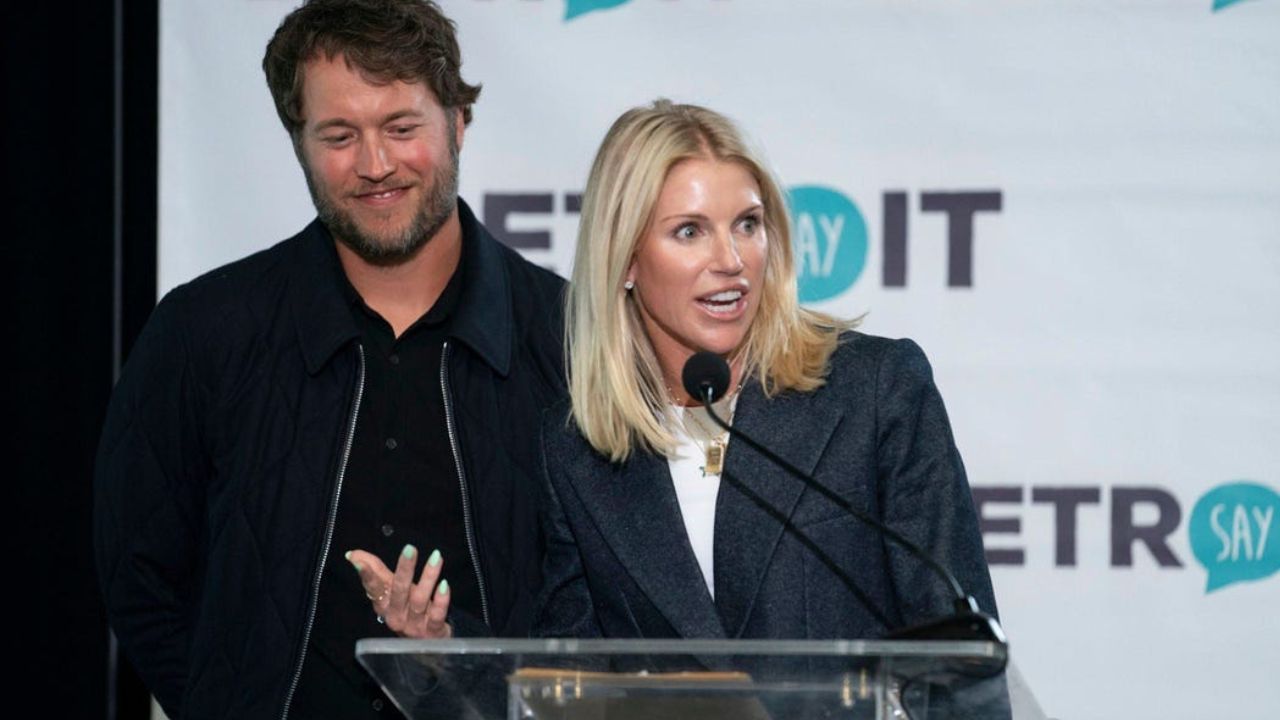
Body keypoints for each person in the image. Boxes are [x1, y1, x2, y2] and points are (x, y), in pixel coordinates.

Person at [93, 1, 565, 717]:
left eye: (402, 128)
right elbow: (138, 571)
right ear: (299, 143)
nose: (375, 166)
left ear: (458, 123)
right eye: (339, 135)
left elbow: (602, 593)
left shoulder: (568, 336)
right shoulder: (204, 330)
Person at [535, 100, 996, 646]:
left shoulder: (876, 390)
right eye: (689, 231)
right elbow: (571, 681)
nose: (730, 259)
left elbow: (961, 658)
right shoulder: (574, 451)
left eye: (748, 224)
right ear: (626, 259)